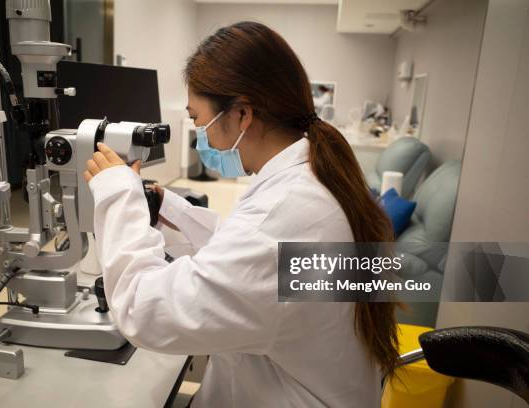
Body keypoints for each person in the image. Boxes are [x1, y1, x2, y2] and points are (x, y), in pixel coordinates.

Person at [83, 21, 399, 408]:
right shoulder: (309, 179)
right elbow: (245, 258)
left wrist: (118, 197)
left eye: (199, 121)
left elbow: (143, 312)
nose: (203, 138)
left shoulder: (283, 214)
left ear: (242, 115)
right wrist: (173, 209)